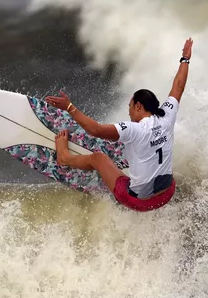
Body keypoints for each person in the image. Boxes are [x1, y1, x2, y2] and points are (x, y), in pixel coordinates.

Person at [46, 38, 193, 212]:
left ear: (138, 106)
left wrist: (69, 107)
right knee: (139, 149)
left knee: (99, 158)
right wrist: (185, 58)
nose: (129, 112)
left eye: (130, 107)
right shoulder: (167, 115)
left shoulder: (135, 129)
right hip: (167, 193)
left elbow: (96, 130)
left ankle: (65, 158)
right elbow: (178, 86)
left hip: (141, 202)